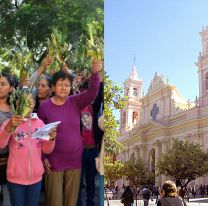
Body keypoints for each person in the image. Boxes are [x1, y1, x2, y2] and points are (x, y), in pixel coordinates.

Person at [38, 61, 102, 206]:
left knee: (71, 202)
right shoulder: (44, 107)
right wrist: (43, 157)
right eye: (60, 84)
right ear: (53, 87)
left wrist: (95, 73)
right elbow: (39, 136)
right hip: (53, 162)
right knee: (54, 201)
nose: (63, 88)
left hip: (74, 161)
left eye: (66, 85)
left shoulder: (75, 101)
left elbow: (92, 93)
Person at [0, 90, 57, 206]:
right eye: (23, 101)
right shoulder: (9, 122)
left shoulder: (40, 123)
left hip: (36, 177)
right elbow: (1, 144)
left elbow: (46, 150)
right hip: (15, 178)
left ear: (34, 103)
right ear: (17, 104)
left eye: (30, 101)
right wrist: (10, 126)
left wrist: (51, 139)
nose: (27, 104)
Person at [0, 71, 16, 206]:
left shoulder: (15, 109)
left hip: (9, 158)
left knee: (7, 194)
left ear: (11, 88)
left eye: (3, 84)